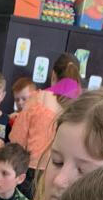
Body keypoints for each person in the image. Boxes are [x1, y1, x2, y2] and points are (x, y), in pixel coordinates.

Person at [9, 53, 83, 192]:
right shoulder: (81, 106)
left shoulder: (39, 98)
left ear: (53, 74)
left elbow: (17, 139)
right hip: (64, 174)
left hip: (32, 171)